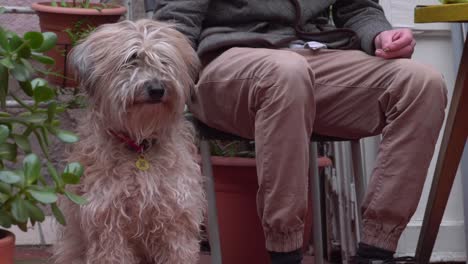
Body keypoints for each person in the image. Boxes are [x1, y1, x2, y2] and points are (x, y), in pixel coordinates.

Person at [153, 1, 448, 263]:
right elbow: (177, 21)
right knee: (287, 73)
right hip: (226, 61)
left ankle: (376, 252)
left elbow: (359, 9)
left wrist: (380, 35)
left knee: (422, 83)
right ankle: (286, 252)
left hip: (316, 54)